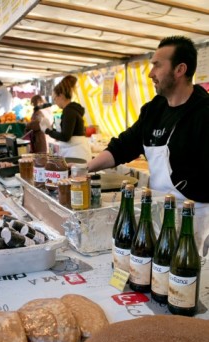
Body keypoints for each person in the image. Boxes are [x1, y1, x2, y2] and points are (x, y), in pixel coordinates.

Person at [87, 35, 209, 254]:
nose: (151, 73)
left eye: (157, 65)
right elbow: (123, 146)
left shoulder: (204, 114)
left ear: (180, 69)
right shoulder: (154, 110)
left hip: (196, 220)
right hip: (158, 211)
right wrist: (84, 169)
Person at [44, 75, 92, 161]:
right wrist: (52, 130)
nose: (55, 102)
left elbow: (65, 136)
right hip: (78, 152)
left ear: (61, 96)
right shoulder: (72, 110)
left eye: (54, 99)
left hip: (76, 155)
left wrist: (47, 131)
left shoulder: (69, 111)